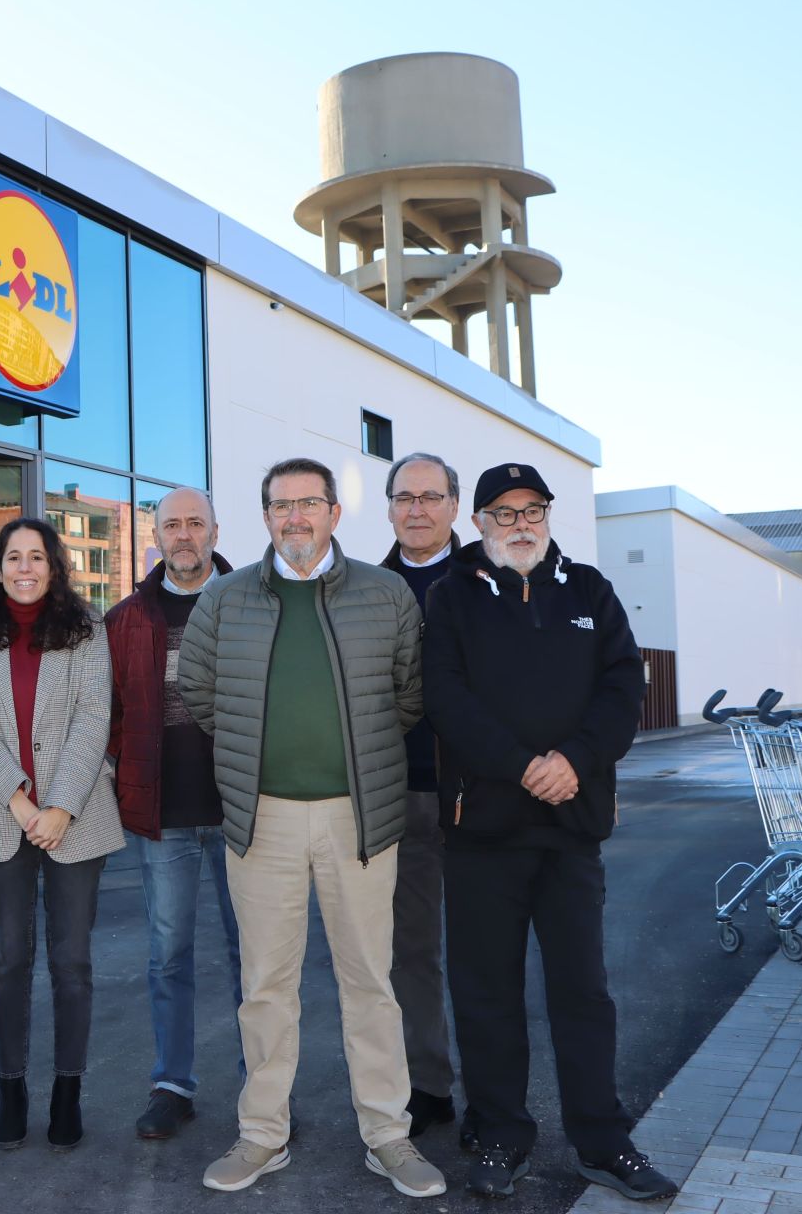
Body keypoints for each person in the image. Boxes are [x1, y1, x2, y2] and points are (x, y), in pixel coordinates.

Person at [178, 457, 446, 1200]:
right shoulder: (226, 599)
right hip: (260, 821)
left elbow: (409, 695)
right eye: (280, 506)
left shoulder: (385, 593)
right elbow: (198, 689)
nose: (294, 518)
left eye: (308, 504)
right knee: (266, 987)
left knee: (371, 982)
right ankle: (263, 1136)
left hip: (359, 820)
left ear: (333, 512)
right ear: (265, 516)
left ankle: (388, 1135)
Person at [423, 462, 675, 1202]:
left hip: (571, 830)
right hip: (484, 834)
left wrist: (573, 761)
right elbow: (447, 698)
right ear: (478, 524)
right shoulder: (451, 597)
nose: (520, 524)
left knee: (583, 994)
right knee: (486, 994)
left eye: (532, 509)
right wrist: (522, 765)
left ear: (548, 515)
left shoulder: (591, 591)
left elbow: (624, 687)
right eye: (503, 514)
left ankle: (604, 1142)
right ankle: (501, 1135)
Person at [0, 517, 124, 1152]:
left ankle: (67, 1090)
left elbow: (92, 717)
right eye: (13, 557)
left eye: (37, 557)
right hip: (3, 818)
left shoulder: (85, 631)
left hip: (74, 818)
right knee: (9, 962)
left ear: (55, 567)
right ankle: (12, 1086)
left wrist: (59, 807)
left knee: (72, 962)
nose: (25, 568)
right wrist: (23, 804)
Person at [105, 486, 240, 1141]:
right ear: (154, 536)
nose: (184, 534)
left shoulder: (254, 602)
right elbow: (110, 714)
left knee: (257, 960)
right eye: (172, 525)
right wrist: (125, 772)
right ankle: (172, 1084)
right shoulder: (129, 618)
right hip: (166, 818)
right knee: (168, 957)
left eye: (195, 522)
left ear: (216, 529)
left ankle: (264, 1090)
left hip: (246, 815)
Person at [376, 452, 463, 1137]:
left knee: (487, 951)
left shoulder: (488, 580)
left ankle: (494, 1099)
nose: (417, 509)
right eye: (405, 497)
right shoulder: (367, 591)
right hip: (401, 796)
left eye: (430, 496)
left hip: (483, 796)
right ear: (389, 508)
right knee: (411, 952)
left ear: (454, 507)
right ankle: (428, 1085)